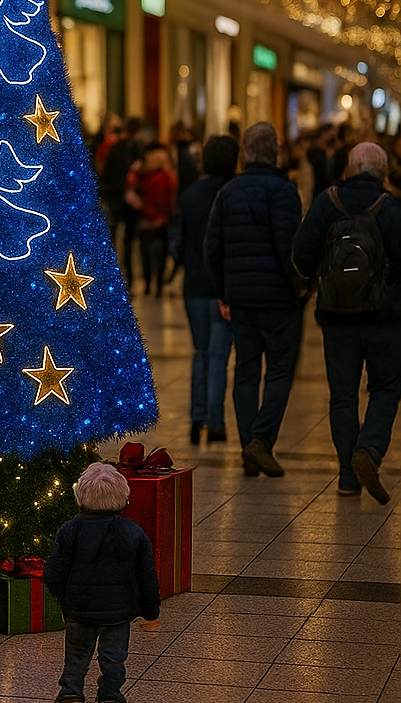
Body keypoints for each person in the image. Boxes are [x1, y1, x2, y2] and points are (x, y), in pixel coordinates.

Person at [292, 142, 401, 504]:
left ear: (350, 169)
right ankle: (368, 450)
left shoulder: (328, 202)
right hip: (383, 320)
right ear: (382, 172)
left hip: (336, 317)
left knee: (343, 395)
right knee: (386, 388)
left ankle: (347, 477)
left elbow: (302, 255)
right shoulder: (389, 208)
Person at [204, 121, 304, 477]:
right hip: (279, 301)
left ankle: (250, 446)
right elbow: (289, 248)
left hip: (242, 300)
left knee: (246, 371)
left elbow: (212, 248)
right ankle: (260, 442)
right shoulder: (284, 191)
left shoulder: (228, 192)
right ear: (276, 152)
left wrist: (223, 291)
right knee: (279, 371)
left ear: (245, 153)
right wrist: (299, 287)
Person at [44, 461, 161, 703]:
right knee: (113, 656)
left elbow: (55, 569)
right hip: (118, 613)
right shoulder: (134, 532)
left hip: (79, 608)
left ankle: (70, 693)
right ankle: (110, 696)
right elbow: (147, 576)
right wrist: (151, 611)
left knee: (76, 654)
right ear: (123, 498)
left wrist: (61, 596)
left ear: (80, 497)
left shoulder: (70, 530)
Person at [170, 134, 239, 445]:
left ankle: (196, 420)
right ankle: (216, 421)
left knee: (200, 352)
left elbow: (176, 243)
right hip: (223, 286)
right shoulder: (233, 193)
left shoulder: (189, 195)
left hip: (194, 286)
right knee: (218, 355)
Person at [124, 144, 178, 296]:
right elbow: (169, 200)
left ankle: (150, 285)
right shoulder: (167, 176)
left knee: (147, 254)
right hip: (159, 220)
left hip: (148, 220)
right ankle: (157, 285)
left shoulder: (147, 176)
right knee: (158, 254)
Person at [100, 118, 143, 279]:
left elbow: (105, 172)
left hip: (117, 197)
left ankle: (117, 275)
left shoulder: (117, 147)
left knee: (116, 237)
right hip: (123, 198)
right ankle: (127, 277)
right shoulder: (133, 147)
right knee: (126, 240)